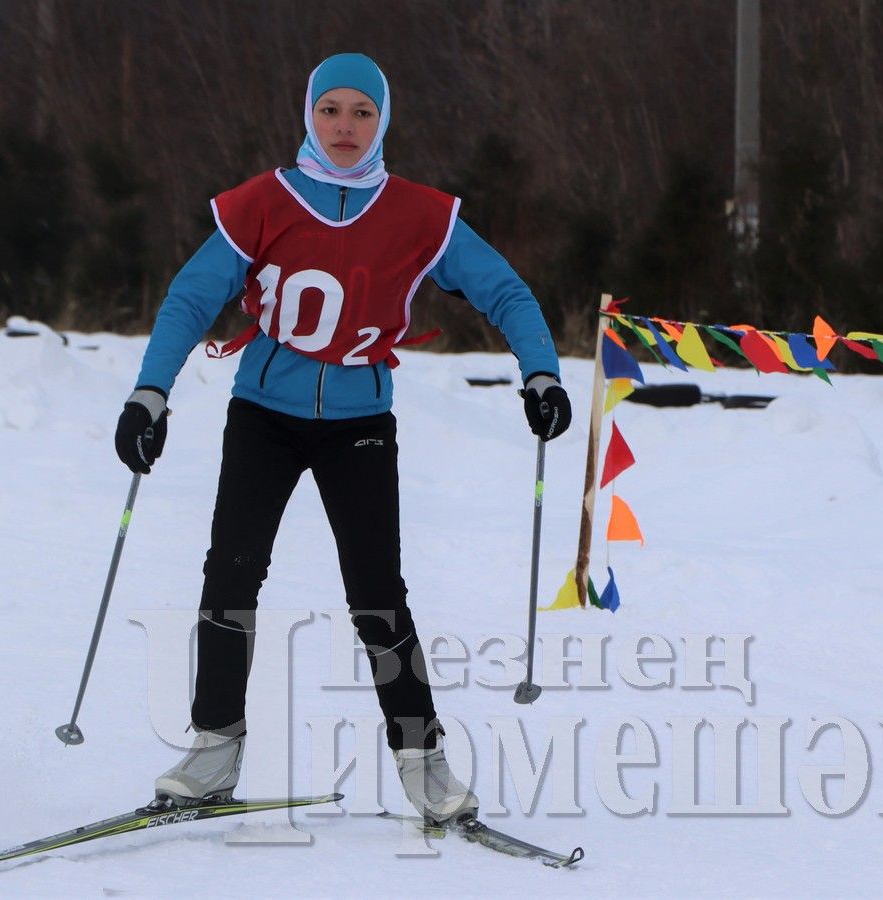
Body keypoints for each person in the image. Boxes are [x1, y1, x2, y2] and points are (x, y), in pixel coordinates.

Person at [114, 53, 572, 825]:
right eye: (330, 110)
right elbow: (192, 296)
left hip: (358, 423)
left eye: (362, 111)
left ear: (383, 120)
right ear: (307, 115)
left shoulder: (422, 214)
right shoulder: (263, 201)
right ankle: (214, 749)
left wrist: (541, 374)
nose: (345, 127)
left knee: (376, 592)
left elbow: (506, 291)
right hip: (262, 414)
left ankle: (424, 763)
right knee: (230, 575)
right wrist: (149, 392)